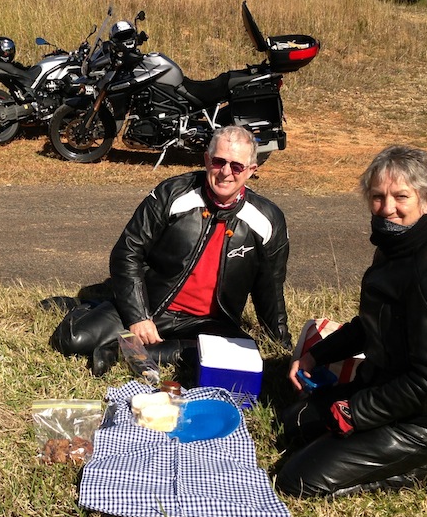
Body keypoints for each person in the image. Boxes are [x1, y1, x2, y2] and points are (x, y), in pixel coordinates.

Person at [277, 145, 427, 497]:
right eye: (377, 197)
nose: (387, 208)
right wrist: (315, 356)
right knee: (292, 424)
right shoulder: (396, 246)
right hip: (379, 389)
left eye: (401, 196)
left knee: (297, 481)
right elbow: (371, 324)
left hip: (419, 422)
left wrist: (355, 412)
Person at [50, 125, 291, 380]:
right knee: (71, 341)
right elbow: (127, 252)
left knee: (244, 356)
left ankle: (122, 350)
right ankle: (90, 305)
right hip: (154, 306)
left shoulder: (267, 219)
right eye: (219, 161)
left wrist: (281, 345)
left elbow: (270, 289)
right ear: (207, 159)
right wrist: (139, 316)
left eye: (237, 166)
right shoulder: (173, 193)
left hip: (210, 323)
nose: (226, 173)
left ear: (251, 170)